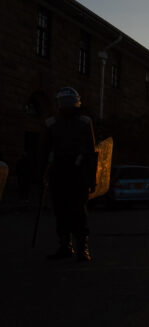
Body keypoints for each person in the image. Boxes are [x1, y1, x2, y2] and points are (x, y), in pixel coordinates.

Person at [41, 87, 97, 261]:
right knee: (61, 211)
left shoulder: (84, 122)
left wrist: (91, 178)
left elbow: (90, 152)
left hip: (78, 172)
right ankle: (65, 246)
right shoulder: (51, 123)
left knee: (79, 212)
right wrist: (42, 174)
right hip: (58, 171)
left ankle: (82, 249)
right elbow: (44, 151)